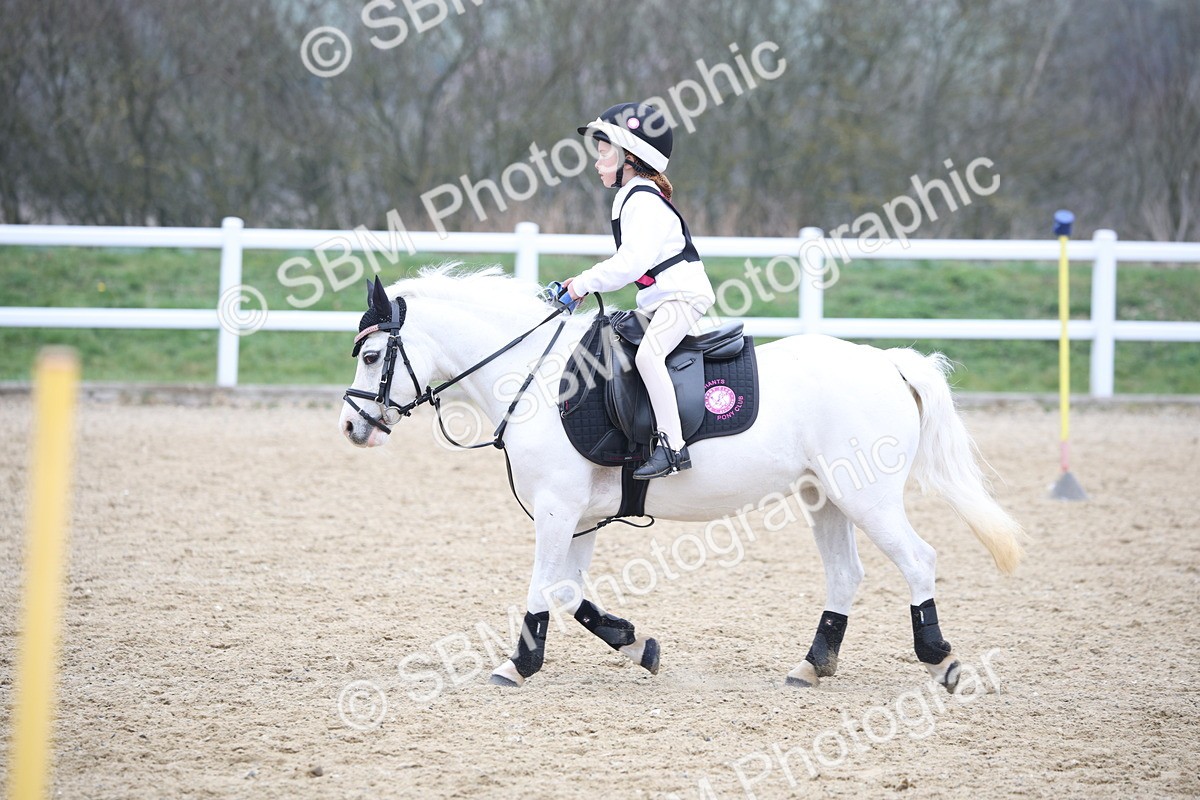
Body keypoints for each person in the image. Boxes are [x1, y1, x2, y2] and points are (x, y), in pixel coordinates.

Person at [563, 102, 716, 480]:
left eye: (603, 155)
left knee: (649, 358)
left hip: (681, 295)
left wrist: (582, 283)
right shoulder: (634, 195)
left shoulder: (642, 199)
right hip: (664, 298)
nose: (598, 164)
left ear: (630, 158)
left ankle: (673, 447)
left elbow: (629, 264)